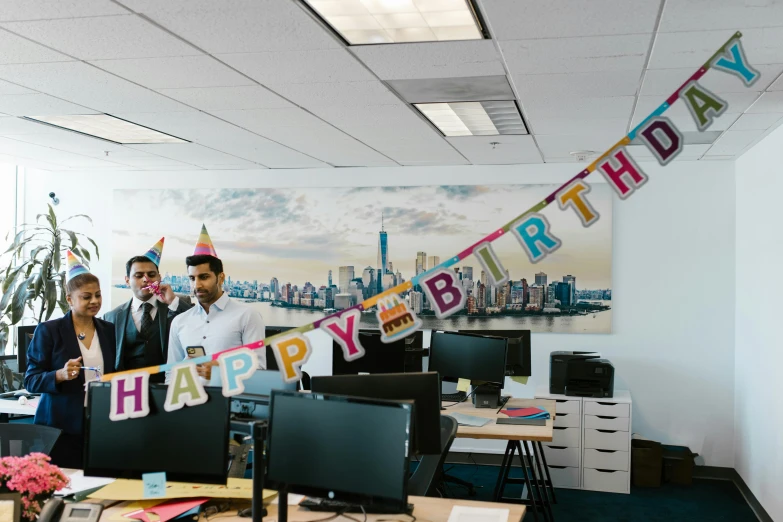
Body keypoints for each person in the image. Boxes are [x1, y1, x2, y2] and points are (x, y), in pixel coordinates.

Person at [24, 251, 116, 468]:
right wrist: (59, 375)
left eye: (98, 295)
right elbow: (31, 380)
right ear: (69, 299)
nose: (95, 301)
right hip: (60, 427)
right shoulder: (49, 331)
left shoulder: (109, 330)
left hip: (101, 423)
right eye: (86, 297)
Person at [167, 224, 265, 386]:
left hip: (230, 405)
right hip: (188, 404)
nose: (197, 285)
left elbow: (259, 372)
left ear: (220, 278)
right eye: (192, 278)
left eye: (204, 277)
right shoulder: (179, 322)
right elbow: (170, 374)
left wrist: (220, 371)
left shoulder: (247, 316)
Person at [104, 238, 192, 383]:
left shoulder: (176, 306)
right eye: (138, 276)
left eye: (152, 275)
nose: (146, 280)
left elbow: (197, 324)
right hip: (128, 392)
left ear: (159, 278)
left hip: (168, 388)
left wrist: (173, 301)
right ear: (127, 280)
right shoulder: (112, 317)